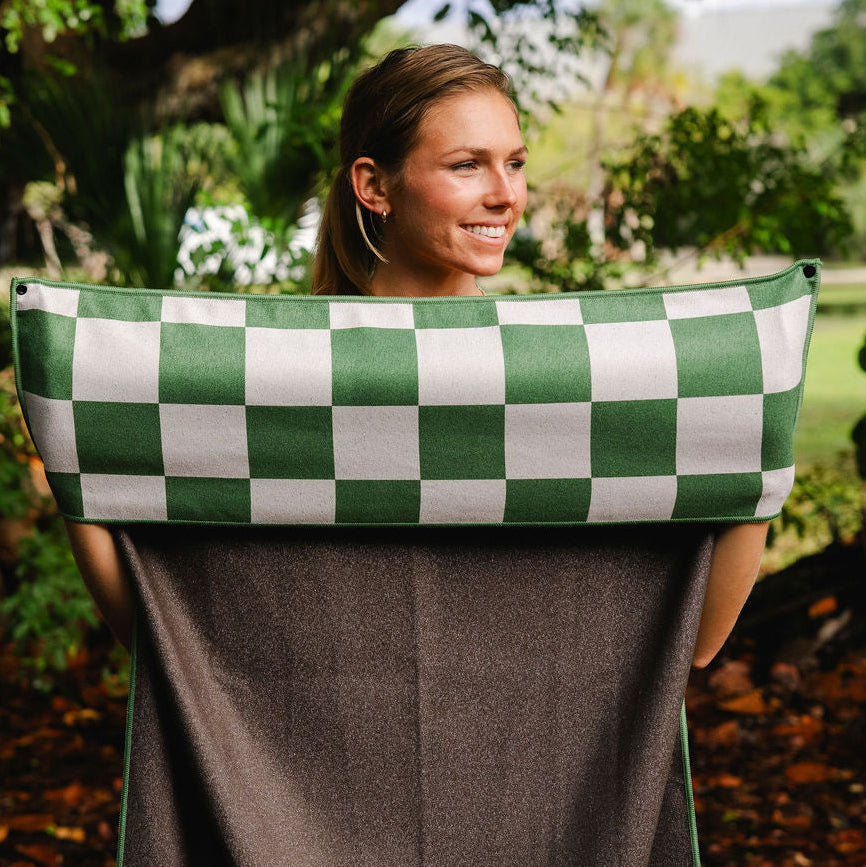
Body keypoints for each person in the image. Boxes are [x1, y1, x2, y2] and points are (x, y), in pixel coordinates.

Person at [64, 44, 769, 865]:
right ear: (374, 185)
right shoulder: (274, 387)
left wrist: (756, 458)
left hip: (536, 817)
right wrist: (78, 478)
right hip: (312, 820)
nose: (506, 193)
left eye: (514, 162)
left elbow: (695, 640)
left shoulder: (572, 389)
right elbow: (170, 636)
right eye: (468, 164)